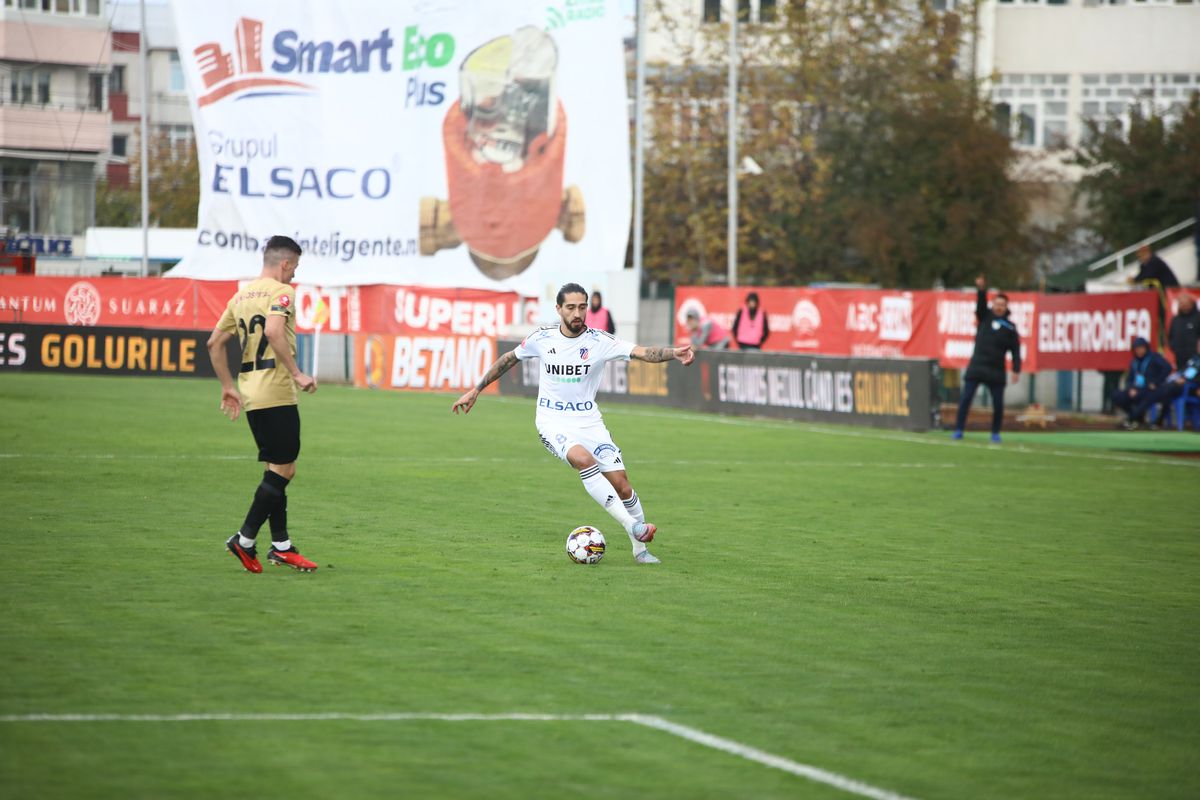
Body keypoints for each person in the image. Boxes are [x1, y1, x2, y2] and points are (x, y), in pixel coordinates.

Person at [451, 282, 695, 564]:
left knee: (623, 486)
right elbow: (508, 359)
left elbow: (642, 352)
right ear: (558, 309)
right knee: (584, 460)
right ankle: (633, 527)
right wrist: (476, 389)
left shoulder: (600, 341)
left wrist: (672, 353)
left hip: (589, 421)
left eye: (582, 307)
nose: (578, 313)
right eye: (571, 307)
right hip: (552, 421)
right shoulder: (542, 339)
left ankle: (641, 550)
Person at [206, 235, 319, 573]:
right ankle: (244, 539)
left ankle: (281, 546)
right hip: (275, 390)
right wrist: (298, 373)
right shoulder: (281, 293)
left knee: (278, 467)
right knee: (284, 468)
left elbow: (214, 343)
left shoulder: (241, 296)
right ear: (284, 264)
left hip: (252, 391)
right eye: (294, 268)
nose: (294, 276)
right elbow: (272, 331)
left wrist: (228, 386)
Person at [952, 275, 1021, 444]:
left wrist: (1016, 369)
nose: (999, 307)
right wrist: (981, 289)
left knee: (998, 404)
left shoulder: (1010, 328)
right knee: (966, 399)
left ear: (1006, 307)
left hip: (996, 370)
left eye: (1002, 305)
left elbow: (1015, 351)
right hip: (977, 366)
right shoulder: (985, 317)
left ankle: (995, 433)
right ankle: (959, 429)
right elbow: (980, 305)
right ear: (993, 305)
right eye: (997, 304)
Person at [1110, 336, 1172, 430]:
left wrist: (1156, 382)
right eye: (1136, 349)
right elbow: (1130, 379)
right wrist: (1131, 388)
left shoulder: (1154, 358)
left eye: (1141, 348)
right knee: (1117, 396)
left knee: (1147, 398)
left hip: (1151, 389)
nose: (1139, 351)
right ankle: (1137, 418)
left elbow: (1167, 368)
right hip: (1137, 388)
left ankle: (1131, 419)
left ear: (1146, 348)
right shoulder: (1134, 362)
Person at [1167, 294, 1199, 369]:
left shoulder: (1197, 318)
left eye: (1186, 303)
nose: (1184, 306)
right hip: (1179, 357)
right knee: (1181, 378)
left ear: (1191, 303)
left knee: (1193, 377)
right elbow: (1170, 336)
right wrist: (1174, 348)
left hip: (1195, 357)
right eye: (1181, 304)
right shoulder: (1175, 319)